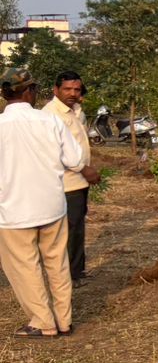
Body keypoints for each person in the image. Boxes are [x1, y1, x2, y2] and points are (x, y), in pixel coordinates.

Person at [0, 69, 85, 337]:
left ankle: (42, 322)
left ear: (4, 94)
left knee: (25, 267)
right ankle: (64, 320)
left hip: (13, 210)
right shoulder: (50, 121)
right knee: (57, 264)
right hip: (52, 206)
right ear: (30, 91)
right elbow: (75, 160)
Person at [44, 71, 100, 282]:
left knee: (77, 227)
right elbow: (55, 151)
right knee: (68, 229)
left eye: (76, 89)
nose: (73, 93)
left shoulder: (76, 111)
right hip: (65, 182)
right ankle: (70, 276)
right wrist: (84, 169)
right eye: (67, 89)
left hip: (78, 181)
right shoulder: (50, 115)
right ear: (56, 90)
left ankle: (77, 271)